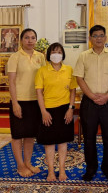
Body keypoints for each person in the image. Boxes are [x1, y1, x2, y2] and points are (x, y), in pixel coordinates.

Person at [73, 25, 108, 181]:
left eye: (101, 35)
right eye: (95, 36)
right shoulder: (83, 56)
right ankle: (91, 168)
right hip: (89, 102)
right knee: (89, 138)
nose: (99, 38)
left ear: (106, 38)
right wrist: (92, 96)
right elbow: (79, 78)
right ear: (90, 39)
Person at [35, 42, 78, 182]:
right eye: (54, 52)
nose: (57, 55)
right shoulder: (42, 71)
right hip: (48, 110)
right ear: (49, 54)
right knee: (49, 142)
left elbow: (73, 91)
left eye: (59, 52)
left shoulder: (69, 70)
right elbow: (39, 93)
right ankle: (51, 172)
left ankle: (62, 170)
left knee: (63, 142)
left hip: (65, 110)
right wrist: (43, 111)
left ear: (63, 54)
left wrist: (71, 109)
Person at [7, 28, 46, 177]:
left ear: (36, 40)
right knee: (17, 135)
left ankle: (28, 162)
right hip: (20, 101)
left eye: (33, 38)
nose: (30, 40)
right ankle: (20, 165)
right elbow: (11, 82)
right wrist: (15, 103)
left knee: (30, 134)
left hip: (35, 101)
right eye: (27, 38)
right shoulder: (15, 57)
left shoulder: (41, 57)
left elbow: (43, 79)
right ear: (21, 40)